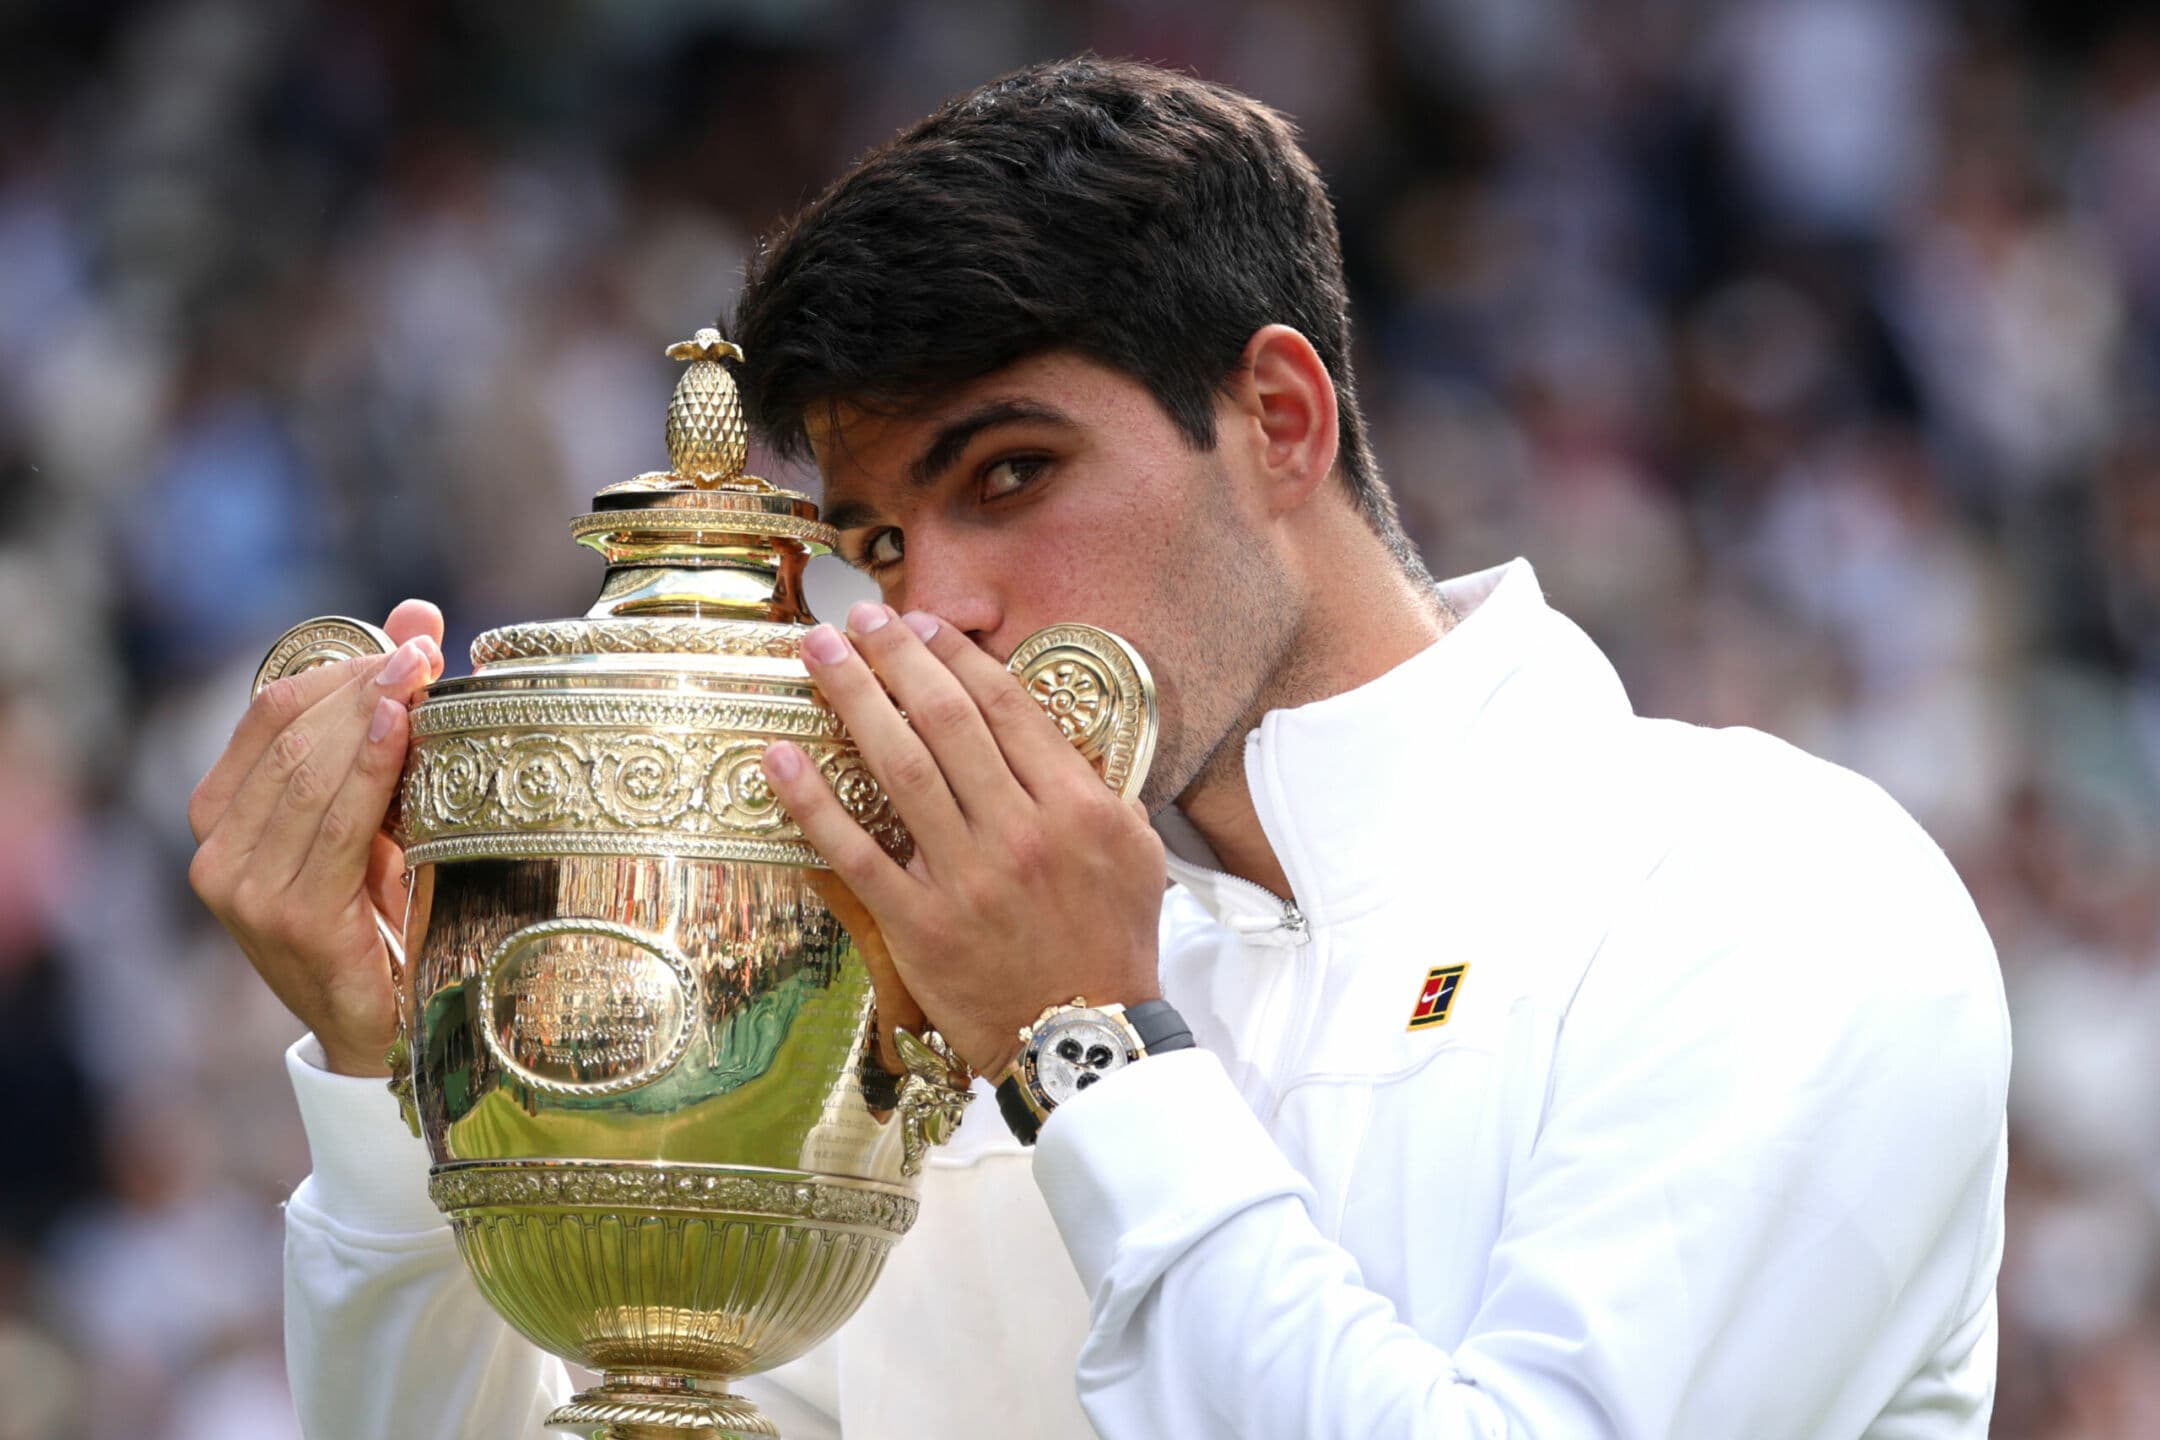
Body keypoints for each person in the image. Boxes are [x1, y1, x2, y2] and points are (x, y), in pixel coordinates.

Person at [188, 59, 2011, 1439]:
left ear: (1279, 422)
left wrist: (1089, 1052)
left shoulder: (1768, 888)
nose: (936, 613)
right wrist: (389, 1072)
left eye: (1011, 476)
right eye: (883, 544)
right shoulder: (915, 1001)